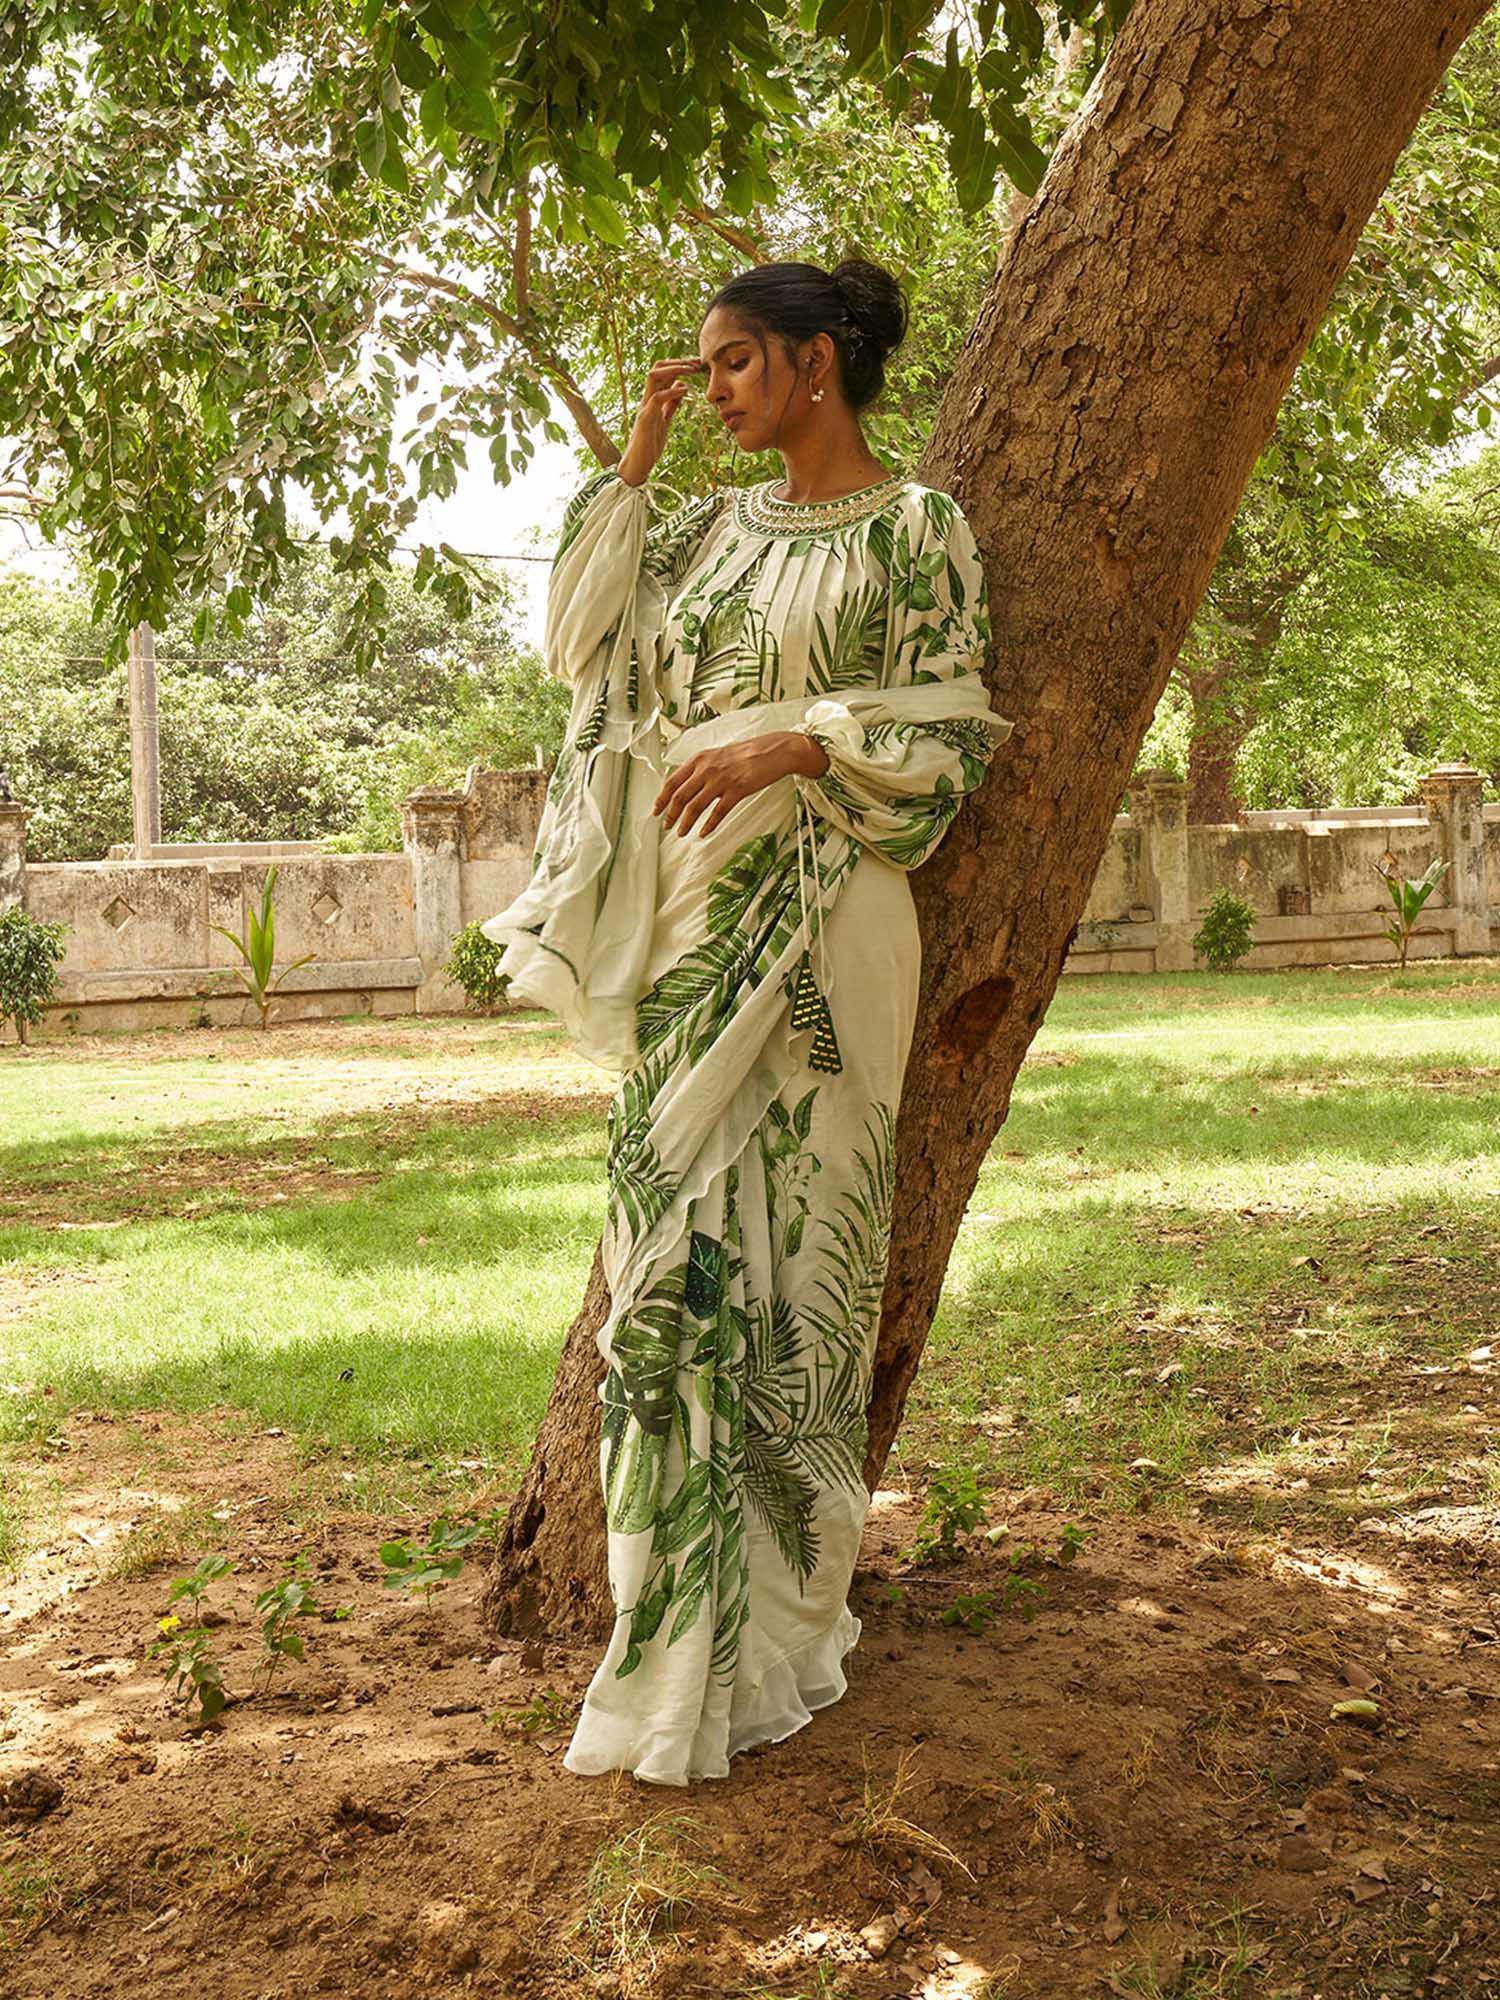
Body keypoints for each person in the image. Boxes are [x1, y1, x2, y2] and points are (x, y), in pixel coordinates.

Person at [481, 257, 1013, 1786]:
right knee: (670, 1241)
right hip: (689, 929)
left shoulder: (920, 530)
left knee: (805, 1254)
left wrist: (799, 743)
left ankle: (774, 1622)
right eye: (703, 366)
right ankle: (665, 1636)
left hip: (830, 924)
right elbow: (583, 643)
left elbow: (952, 727)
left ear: (816, 362)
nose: (708, 387)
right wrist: (634, 462)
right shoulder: (703, 530)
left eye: (730, 364)